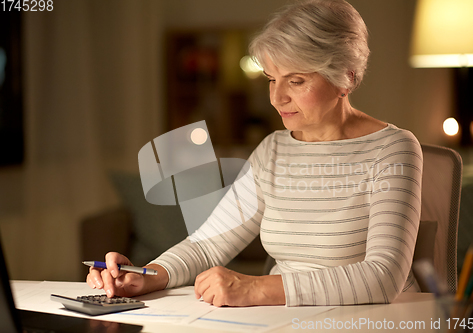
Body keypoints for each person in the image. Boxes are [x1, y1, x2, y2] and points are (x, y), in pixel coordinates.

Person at [87, 0, 422, 307]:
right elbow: (208, 244)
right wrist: (145, 276)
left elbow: (383, 276)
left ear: (345, 78)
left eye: (296, 81)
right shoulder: (273, 149)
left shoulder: (393, 149)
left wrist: (255, 288)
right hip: (286, 320)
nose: (277, 98)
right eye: (271, 79)